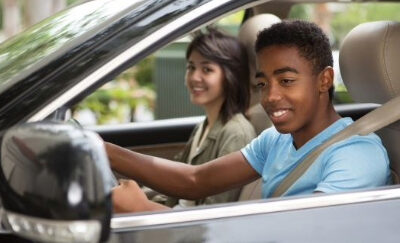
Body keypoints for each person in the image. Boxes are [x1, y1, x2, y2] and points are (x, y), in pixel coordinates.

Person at [107, 20, 391, 213]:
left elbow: (298, 234)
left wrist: (146, 211)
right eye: (263, 83)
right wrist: (102, 150)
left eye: (287, 81)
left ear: (324, 80)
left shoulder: (357, 155)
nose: (270, 96)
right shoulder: (275, 141)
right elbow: (195, 180)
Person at [145, 27, 256, 208]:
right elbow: (175, 185)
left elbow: (213, 214)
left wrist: (141, 207)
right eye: (191, 67)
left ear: (230, 76)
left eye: (207, 69)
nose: (195, 77)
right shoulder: (203, 127)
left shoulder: (236, 133)